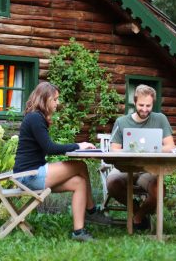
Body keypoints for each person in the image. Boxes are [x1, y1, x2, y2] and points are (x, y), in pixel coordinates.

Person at [13, 81, 111, 242]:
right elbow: (49, 148)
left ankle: (79, 232)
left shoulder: (36, 118)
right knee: (80, 165)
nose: (58, 103)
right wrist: (80, 145)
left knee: (79, 182)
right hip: (28, 176)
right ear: (45, 99)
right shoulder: (35, 118)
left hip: (33, 172)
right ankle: (92, 211)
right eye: (55, 99)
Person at [106, 84, 175, 231]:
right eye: (141, 105)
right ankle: (137, 210)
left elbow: (170, 146)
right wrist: (131, 152)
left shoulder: (160, 119)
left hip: (149, 170)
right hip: (126, 167)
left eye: (148, 105)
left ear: (153, 104)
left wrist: (150, 150)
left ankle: (138, 216)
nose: (144, 109)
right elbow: (114, 149)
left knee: (159, 190)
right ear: (135, 102)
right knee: (112, 183)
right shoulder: (122, 122)